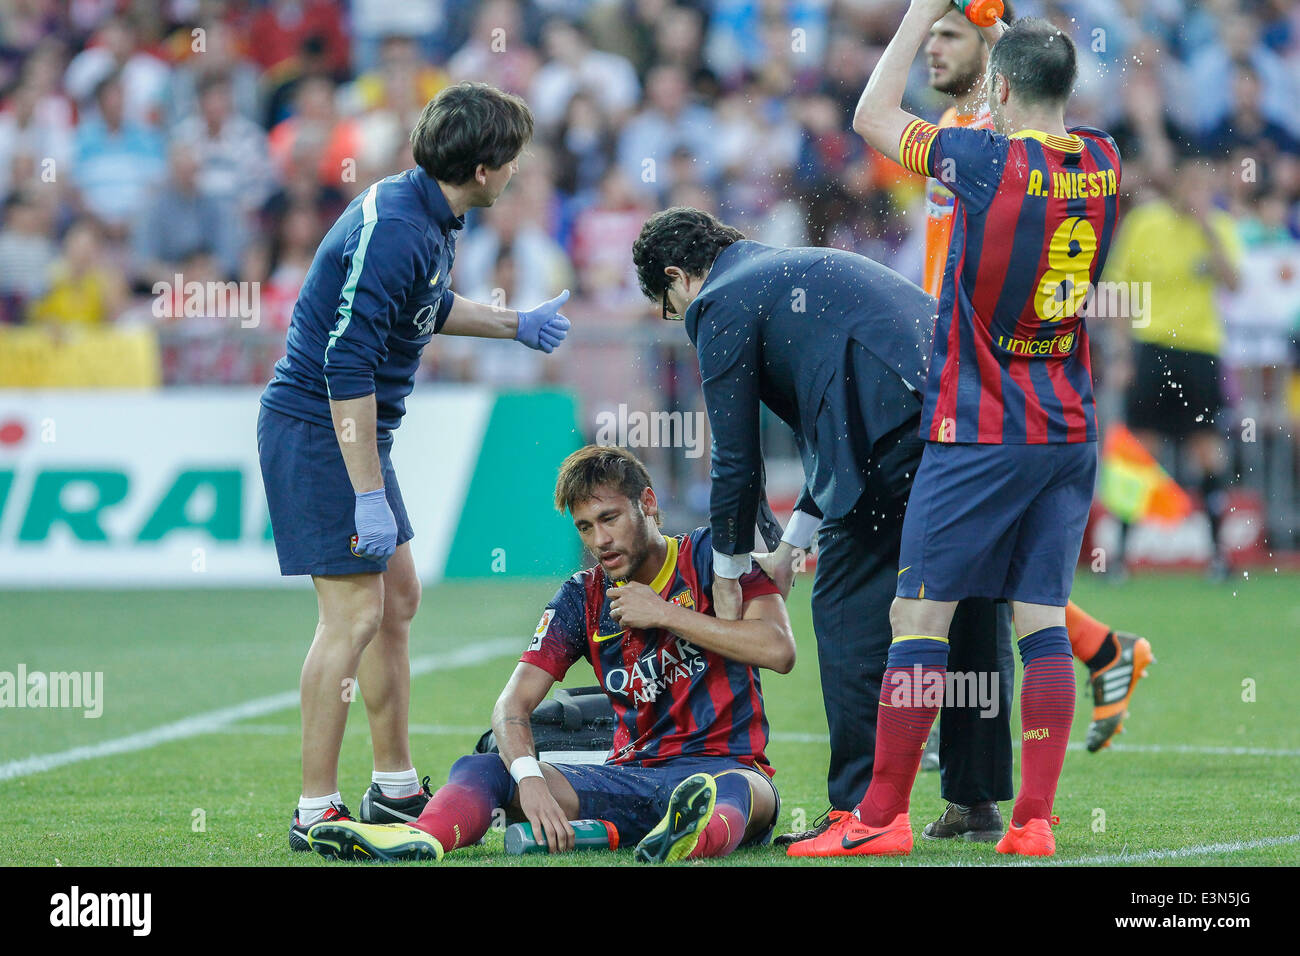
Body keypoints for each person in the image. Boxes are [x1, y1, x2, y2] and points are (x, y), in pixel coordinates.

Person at [794, 4, 1122, 858]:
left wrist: (913, 14)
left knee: (918, 614)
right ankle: (1035, 823)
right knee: (1040, 617)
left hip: (980, 424)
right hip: (1069, 426)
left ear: (1001, 85)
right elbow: (1048, 106)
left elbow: (870, 116)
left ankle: (879, 819)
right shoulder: (1104, 160)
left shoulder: (981, 160)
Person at [632, 205, 1017, 845]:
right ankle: (975, 800)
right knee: (970, 600)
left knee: (843, 605)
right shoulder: (786, 273)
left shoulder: (719, 301)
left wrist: (727, 571)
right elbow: (838, 427)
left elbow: (735, 455)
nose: (681, 321)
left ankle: (865, 812)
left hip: (901, 428)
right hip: (978, 413)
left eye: (670, 307)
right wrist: (789, 548)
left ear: (678, 276)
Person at [257, 81, 573, 852]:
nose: (519, 172)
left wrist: (513, 323)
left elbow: (424, 306)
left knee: (397, 599)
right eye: (515, 160)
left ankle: (394, 785)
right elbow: (345, 367)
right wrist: (368, 491)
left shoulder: (425, 212)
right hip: (319, 431)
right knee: (354, 617)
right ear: (488, 167)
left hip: (346, 435)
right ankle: (314, 809)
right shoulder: (400, 226)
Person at [303, 445, 790, 863]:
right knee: (484, 768)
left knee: (732, 793)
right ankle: (420, 838)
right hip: (631, 776)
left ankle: (688, 838)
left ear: (648, 504)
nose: (600, 540)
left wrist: (666, 613)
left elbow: (778, 649)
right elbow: (510, 707)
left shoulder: (714, 557)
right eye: (584, 527)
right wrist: (530, 778)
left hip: (729, 767)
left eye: (609, 519)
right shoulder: (583, 596)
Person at [915, 2, 1153, 767]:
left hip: (980, 386)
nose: (934, 48)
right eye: (930, 36)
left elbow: (1008, 113)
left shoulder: (980, 146)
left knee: (937, 580)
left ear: (992, 67)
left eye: (950, 34)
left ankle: (899, 765)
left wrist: (994, 28)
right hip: (974, 365)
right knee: (1005, 578)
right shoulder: (1064, 147)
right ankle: (1101, 650)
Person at [1105, 153, 1243, 580]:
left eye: (1207, 186)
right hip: (1152, 348)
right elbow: (1117, 289)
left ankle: (1218, 556)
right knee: (1142, 449)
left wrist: (1208, 231)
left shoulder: (1219, 228)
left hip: (1201, 350)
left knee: (1206, 448)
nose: (1198, 194)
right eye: (1193, 184)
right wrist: (1122, 353)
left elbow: (1234, 283)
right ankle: (1120, 558)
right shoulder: (1145, 223)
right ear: (1178, 184)